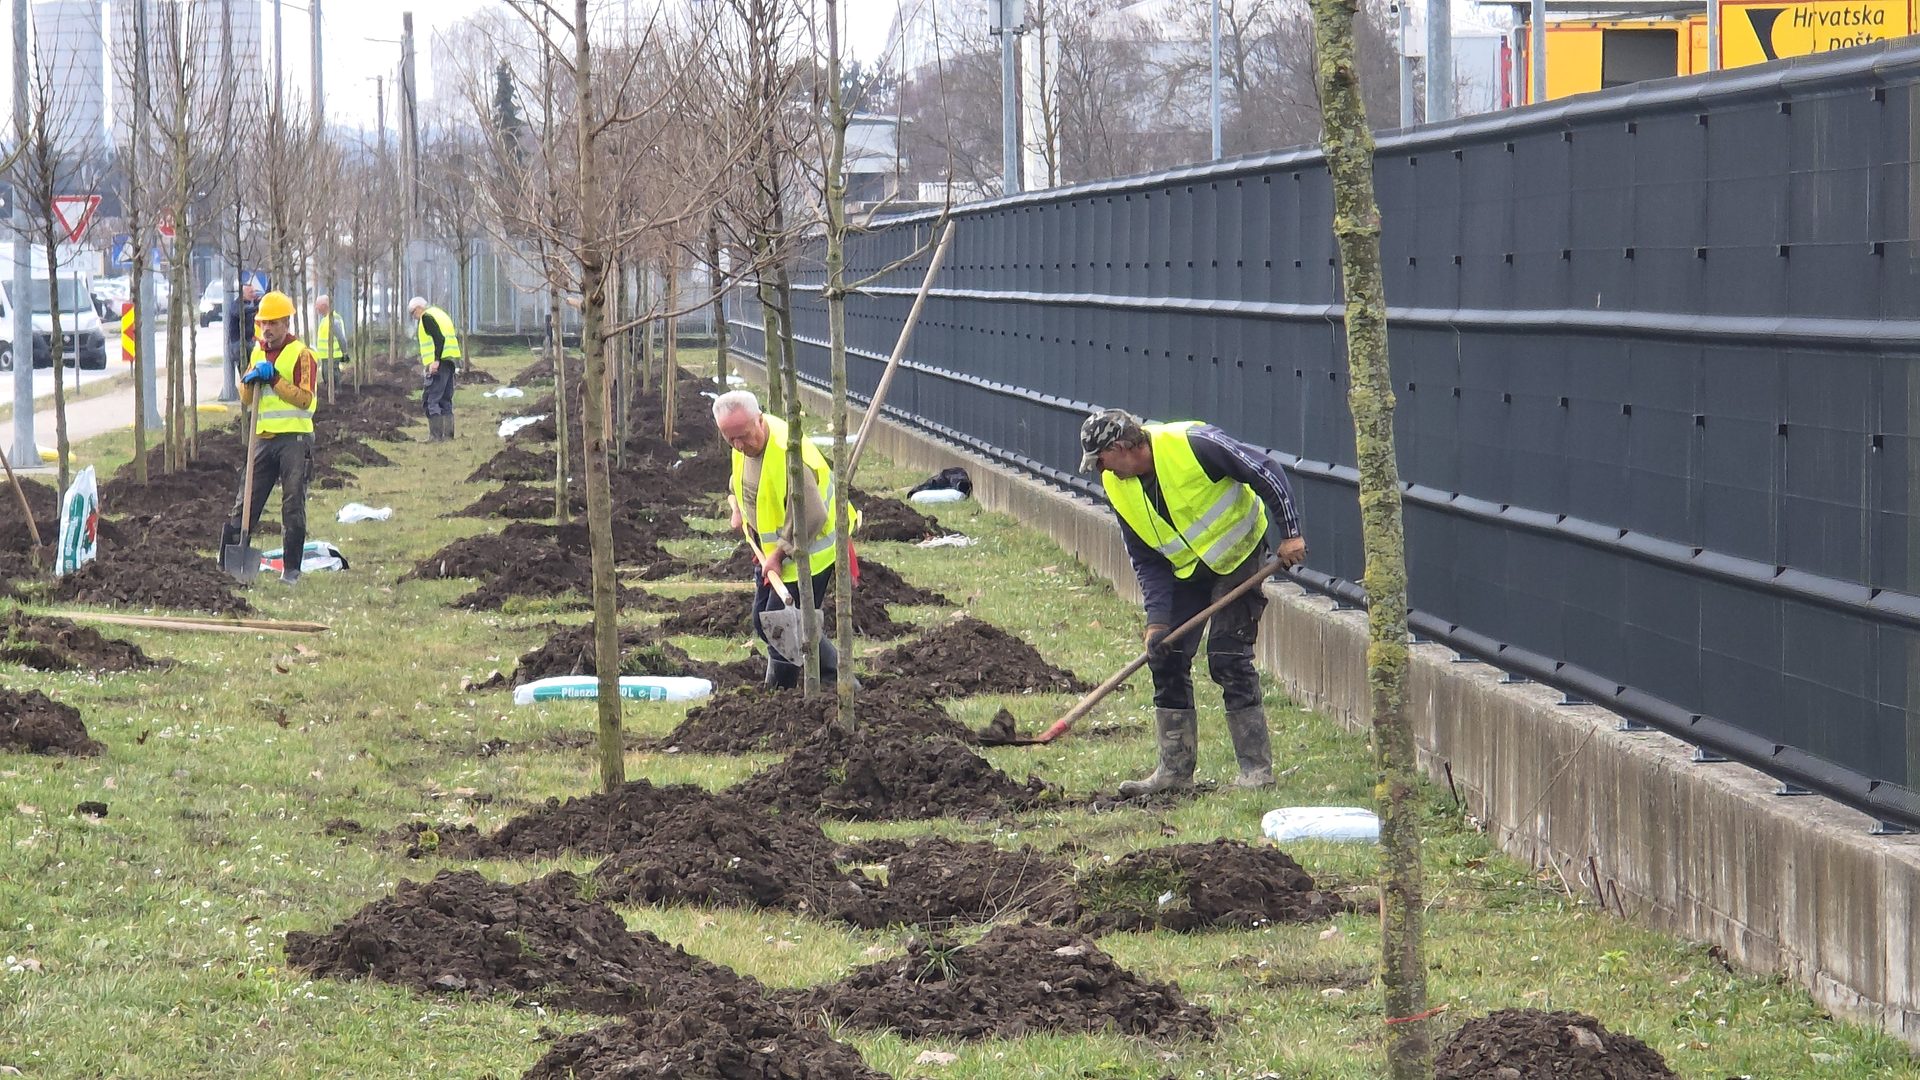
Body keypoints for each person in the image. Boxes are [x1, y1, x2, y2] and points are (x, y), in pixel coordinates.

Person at [1079, 408, 1309, 793]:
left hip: (1239, 555)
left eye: (1101, 460)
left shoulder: (1192, 444)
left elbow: (1265, 470)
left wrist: (1291, 534)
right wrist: (1157, 621)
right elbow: (1146, 558)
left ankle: (1256, 772)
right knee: (1163, 653)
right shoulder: (1118, 485)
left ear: (1120, 447)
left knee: (1228, 657)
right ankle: (1174, 773)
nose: (1101, 470)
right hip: (1187, 570)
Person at [714, 389, 860, 688]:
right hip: (773, 551)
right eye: (731, 440)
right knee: (763, 619)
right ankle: (786, 686)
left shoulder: (787, 453)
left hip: (811, 550)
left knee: (785, 622)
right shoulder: (741, 442)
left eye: (744, 436)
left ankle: (836, 684)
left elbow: (813, 515)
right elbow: (741, 480)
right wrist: (738, 505)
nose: (740, 446)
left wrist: (779, 555)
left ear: (760, 419)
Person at [227, 290, 319, 586]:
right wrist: (248, 380)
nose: (266, 329)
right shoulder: (256, 352)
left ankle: (291, 569)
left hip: (294, 440)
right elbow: (246, 398)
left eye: (273, 323)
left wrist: (274, 379)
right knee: (245, 503)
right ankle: (227, 564)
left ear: (286, 323)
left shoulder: (302, 355)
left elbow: (305, 399)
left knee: (292, 504)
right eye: (263, 322)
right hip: (263, 440)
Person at [409, 296, 462, 441]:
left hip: (438, 364)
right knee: (445, 399)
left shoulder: (427, 317)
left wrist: (436, 361)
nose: (415, 318)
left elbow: (439, 338)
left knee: (431, 399)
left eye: (413, 313)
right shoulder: (440, 314)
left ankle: (435, 436)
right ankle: (448, 436)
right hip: (450, 361)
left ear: (418, 308)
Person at [223, 280, 260, 400]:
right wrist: (255, 308)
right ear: (243, 293)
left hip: (250, 341)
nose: (253, 293)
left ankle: (253, 393)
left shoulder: (252, 303)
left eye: (254, 291)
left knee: (254, 366)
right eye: (250, 291)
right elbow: (240, 312)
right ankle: (246, 394)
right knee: (244, 370)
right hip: (238, 344)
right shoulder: (237, 304)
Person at [312, 294, 349, 388]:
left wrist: (345, 353)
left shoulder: (333, 319)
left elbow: (341, 338)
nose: (316, 308)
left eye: (317, 305)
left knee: (333, 379)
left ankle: (338, 395)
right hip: (325, 357)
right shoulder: (325, 319)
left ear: (324, 306)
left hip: (333, 356)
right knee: (327, 379)